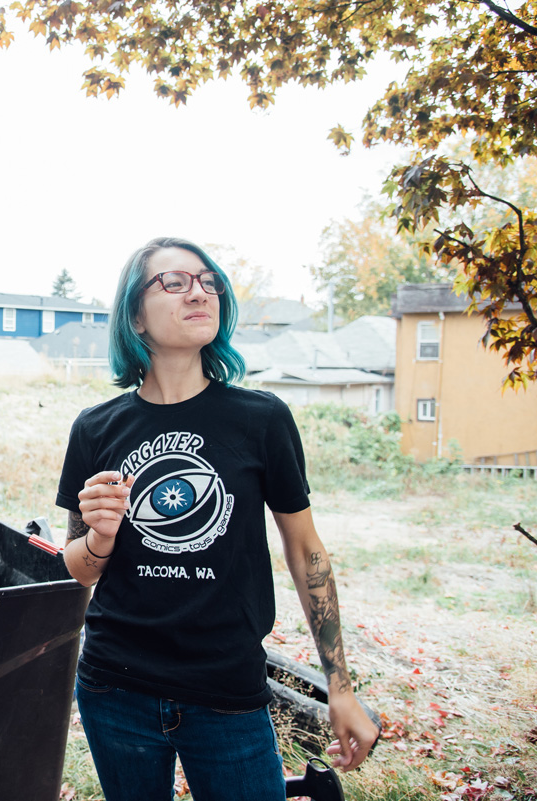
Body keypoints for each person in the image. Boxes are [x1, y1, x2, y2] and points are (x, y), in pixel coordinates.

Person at [56, 237, 378, 801]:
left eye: (208, 282)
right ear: (136, 314)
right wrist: (102, 538)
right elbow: (78, 570)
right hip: (115, 690)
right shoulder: (96, 428)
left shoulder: (260, 419)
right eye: (174, 282)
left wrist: (340, 686)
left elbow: (306, 551)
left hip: (226, 691)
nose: (199, 291)